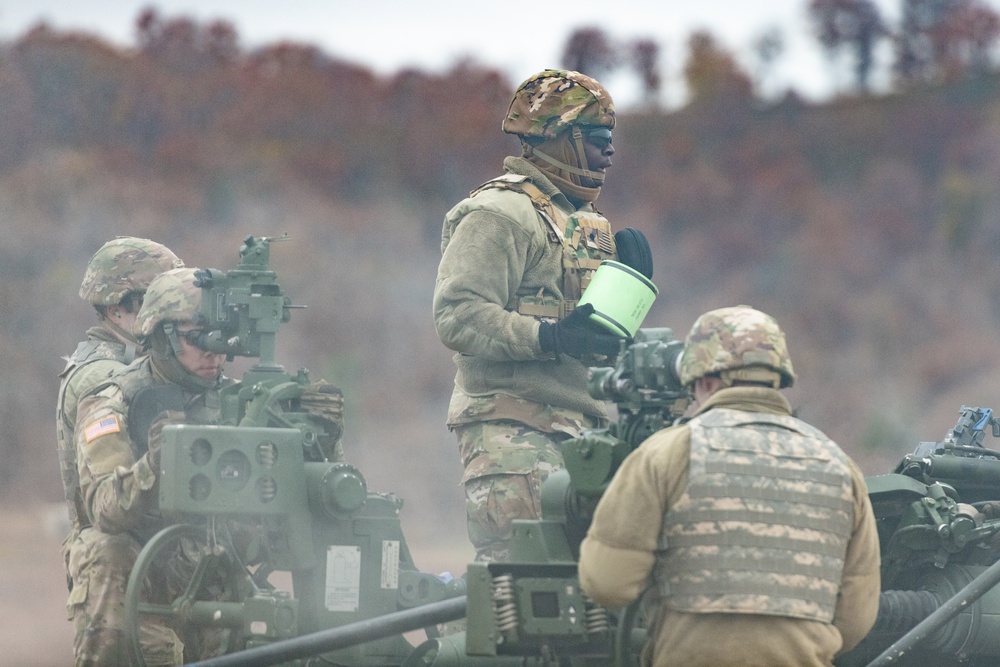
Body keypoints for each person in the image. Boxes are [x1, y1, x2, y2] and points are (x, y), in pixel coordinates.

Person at [578, 305, 880, 667]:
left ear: (703, 381)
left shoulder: (666, 454)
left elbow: (607, 583)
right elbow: (856, 620)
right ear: (777, 377)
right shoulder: (840, 466)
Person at [433, 68, 652, 563]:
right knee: (524, 582)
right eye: (599, 139)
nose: (610, 152)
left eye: (611, 140)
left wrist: (626, 311)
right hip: (514, 426)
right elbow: (457, 313)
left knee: (586, 588)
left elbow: (588, 337)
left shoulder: (585, 225)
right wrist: (549, 337)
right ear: (561, 140)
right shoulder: (500, 213)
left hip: (583, 429)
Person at [70, 267, 229, 665]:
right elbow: (105, 509)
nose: (214, 351)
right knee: (105, 550)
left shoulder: (233, 403)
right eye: (198, 338)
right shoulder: (111, 403)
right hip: (136, 571)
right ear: (160, 337)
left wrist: (316, 443)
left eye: (221, 338)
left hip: (206, 568)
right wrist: (155, 464)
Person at [57, 237, 184, 656]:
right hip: (118, 562)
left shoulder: (128, 362)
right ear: (117, 309)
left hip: (154, 553)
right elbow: (109, 504)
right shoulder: (106, 377)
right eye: (156, 304)